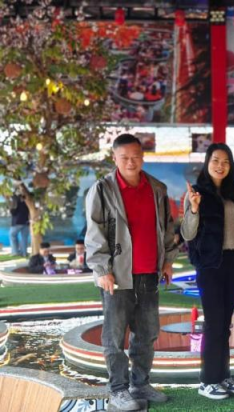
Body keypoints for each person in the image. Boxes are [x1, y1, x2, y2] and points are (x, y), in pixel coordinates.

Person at [85, 133, 177, 410]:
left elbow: (167, 228)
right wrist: (102, 268)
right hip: (116, 275)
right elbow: (94, 232)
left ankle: (140, 384)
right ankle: (118, 389)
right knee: (114, 336)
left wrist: (167, 261)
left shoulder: (157, 188)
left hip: (149, 272)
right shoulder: (102, 189)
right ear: (114, 158)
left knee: (147, 332)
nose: (130, 162)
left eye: (135, 156)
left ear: (143, 157)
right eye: (124, 157)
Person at [181, 143, 234, 400]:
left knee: (225, 324)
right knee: (214, 323)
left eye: (225, 161)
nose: (220, 165)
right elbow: (187, 233)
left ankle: (223, 375)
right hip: (209, 264)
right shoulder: (196, 193)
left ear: (230, 166)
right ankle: (208, 381)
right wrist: (193, 208)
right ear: (207, 163)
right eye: (215, 160)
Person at [9, 184, 30, 257]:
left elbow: (13, 212)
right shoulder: (28, 199)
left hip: (17, 221)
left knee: (12, 235)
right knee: (24, 238)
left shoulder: (15, 199)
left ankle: (15, 252)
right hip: (26, 221)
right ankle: (24, 253)